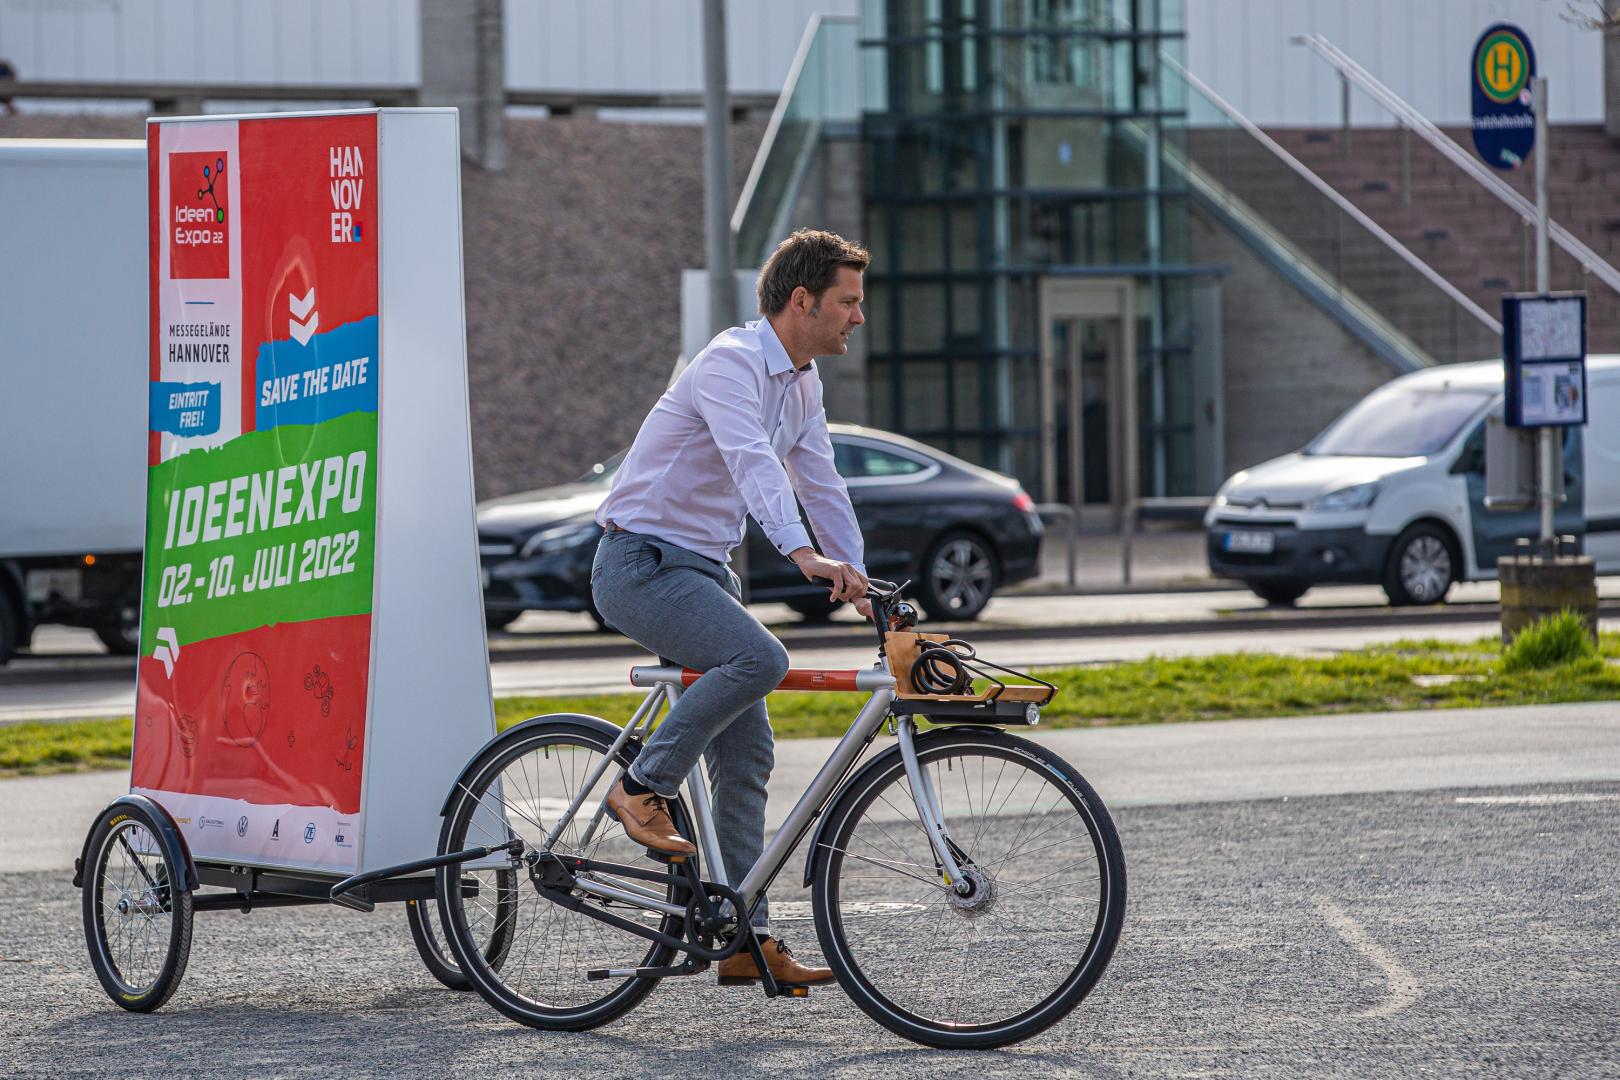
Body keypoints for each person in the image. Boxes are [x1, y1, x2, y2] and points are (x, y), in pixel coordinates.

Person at [591, 228, 871, 988]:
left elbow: (822, 483)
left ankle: (743, 935)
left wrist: (863, 583)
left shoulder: (804, 385)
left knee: (747, 759)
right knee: (761, 658)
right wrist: (801, 553)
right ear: (802, 300)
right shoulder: (730, 364)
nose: (859, 316)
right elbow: (753, 462)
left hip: (704, 575)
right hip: (640, 563)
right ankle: (641, 787)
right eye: (848, 301)